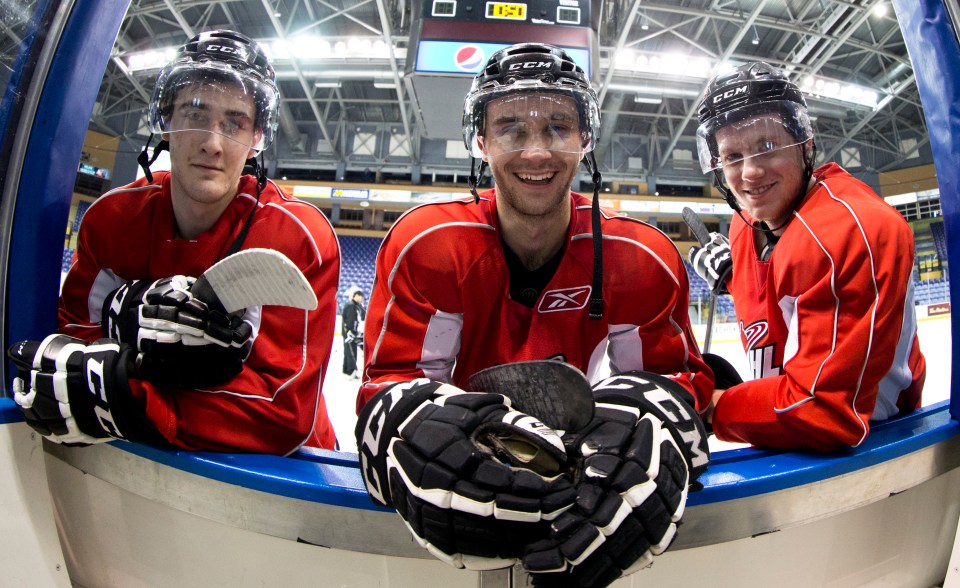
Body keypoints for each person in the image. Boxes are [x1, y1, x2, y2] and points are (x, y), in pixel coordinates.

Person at [353, 43, 710, 587]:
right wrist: (417, 434)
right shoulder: (428, 244)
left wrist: (649, 431)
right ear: (480, 140)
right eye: (511, 129)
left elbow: (668, 383)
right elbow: (391, 385)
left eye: (559, 127)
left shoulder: (642, 258)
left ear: (586, 139)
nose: (537, 151)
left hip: (578, 464)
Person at [8, 30, 341, 454]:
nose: (212, 143)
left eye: (234, 123)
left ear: (257, 137)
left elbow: (282, 413)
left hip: (286, 479)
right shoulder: (110, 221)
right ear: (166, 121)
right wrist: (124, 327)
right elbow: (73, 346)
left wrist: (131, 399)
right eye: (195, 113)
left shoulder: (298, 237)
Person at [689, 61, 926, 452]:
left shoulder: (854, 229)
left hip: (872, 449)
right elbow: (794, 291)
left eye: (767, 147)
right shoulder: (745, 223)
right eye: (731, 156)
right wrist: (736, 278)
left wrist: (711, 406)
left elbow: (824, 412)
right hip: (788, 425)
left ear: (806, 145)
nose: (749, 172)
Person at [341, 288, 366, 377]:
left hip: (349, 332)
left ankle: (346, 369)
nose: (362, 299)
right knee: (351, 351)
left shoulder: (355, 305)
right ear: (357, 296)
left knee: (348, 350)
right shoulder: (351, 305)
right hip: (350, 332)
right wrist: (351, 331)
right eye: (361, 297)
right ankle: (351, 370)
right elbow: (351, 320)